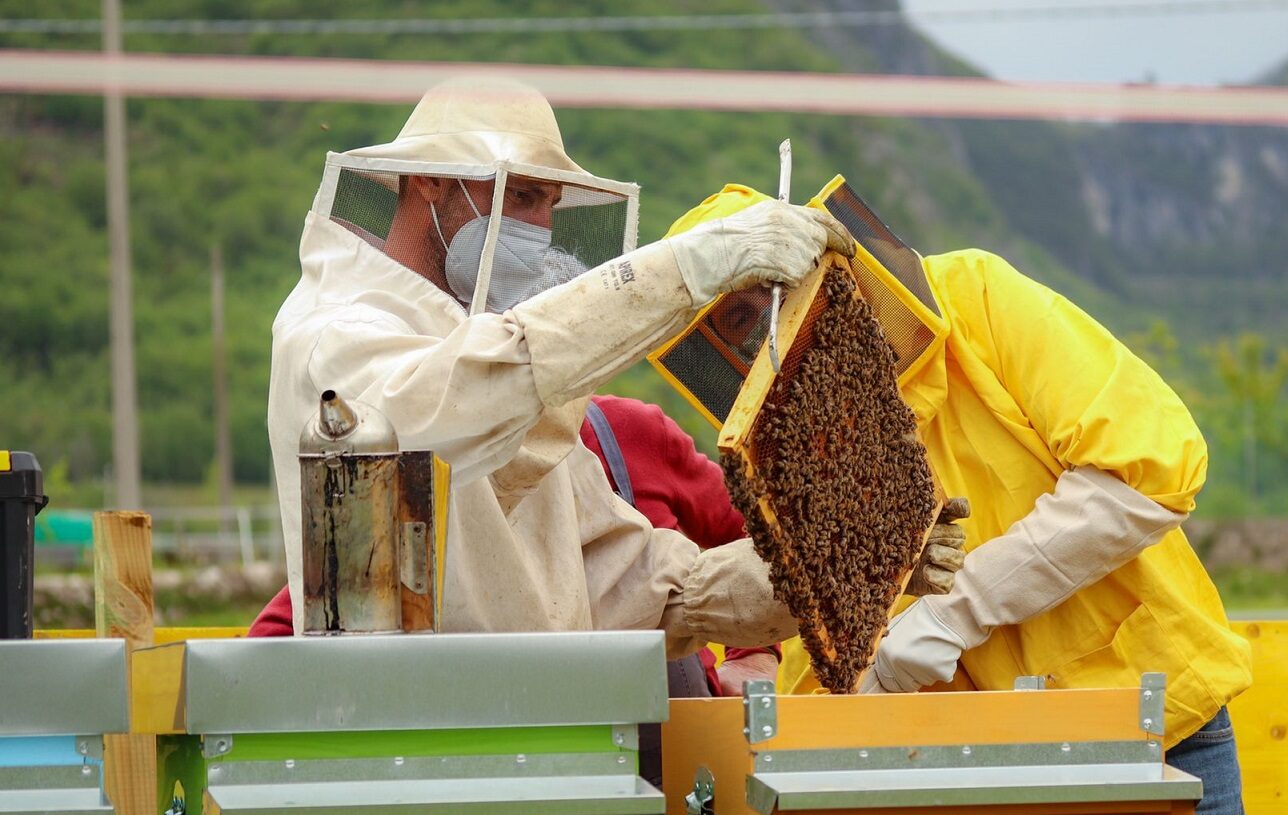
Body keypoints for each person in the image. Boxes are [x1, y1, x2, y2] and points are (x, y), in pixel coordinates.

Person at [664, 183, 1254, 815]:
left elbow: (1150, 470)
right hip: (964, 770)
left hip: (1156, 730)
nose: (768, 322)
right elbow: (822, 651)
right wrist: (856, 685)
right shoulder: (793, 451)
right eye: (738, 317)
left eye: (771, 287)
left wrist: (954, 611)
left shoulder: (976, 295)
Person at [266, 76, 855, 658]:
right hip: (413, 736)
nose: (541, 229)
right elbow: (446, 406)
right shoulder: (334, 334)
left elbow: (628, 583)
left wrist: (823, 571)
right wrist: (688, 269)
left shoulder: (496, 372)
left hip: (545, 728)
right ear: (429, 180)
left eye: (550, 204)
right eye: (523, 196)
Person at [250, 392, 783, 695]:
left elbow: (763, 532)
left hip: (688, 745)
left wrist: (755, 655)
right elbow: (299, 619)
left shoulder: (630, 429)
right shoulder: (442, 474)